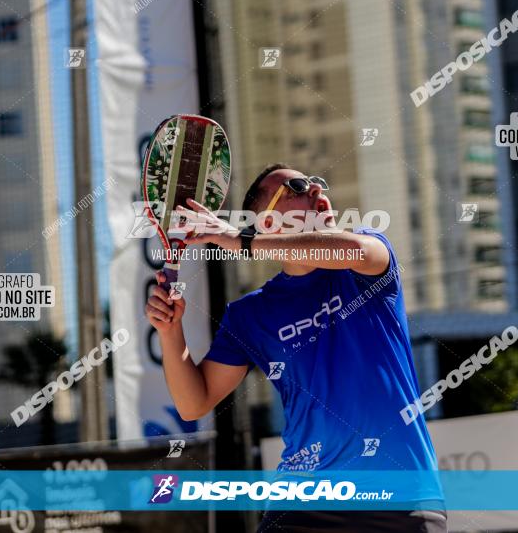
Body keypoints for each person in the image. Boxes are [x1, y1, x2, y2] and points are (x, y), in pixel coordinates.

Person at [145, 164, 446, 532]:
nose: (318, 190)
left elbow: (351, 249)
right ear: (267, 222)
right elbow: (195, 403)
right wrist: (170, 331)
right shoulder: (249, 314)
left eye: (318, 182)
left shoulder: (366, 254)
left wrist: (239, 241)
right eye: (297, 187)